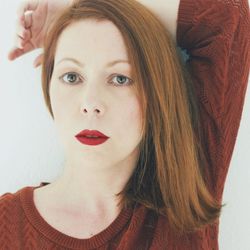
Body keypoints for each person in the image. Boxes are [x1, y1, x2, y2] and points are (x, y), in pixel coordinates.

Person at [1, 0, 249, 249]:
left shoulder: (186, 197)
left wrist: (81, 5)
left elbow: (230, 17)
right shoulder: (6, 224)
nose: (91, 103)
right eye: (72, 77)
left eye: (120, 79)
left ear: (154, 93)